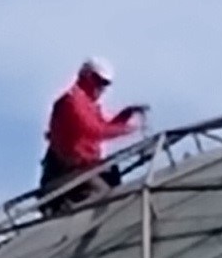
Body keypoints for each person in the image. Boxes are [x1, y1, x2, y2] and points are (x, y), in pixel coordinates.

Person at [40, 58, 146, 209]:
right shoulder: (72, 102)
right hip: (65, 172)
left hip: (84, 168)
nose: (101, 88)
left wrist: (125, 116)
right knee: (104, 194)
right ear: (86, 76)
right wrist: (128, 130)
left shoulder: (90, 105)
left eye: (105, 84)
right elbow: (94, 130)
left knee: (112, 175)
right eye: (98, 81)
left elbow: (102, 127)